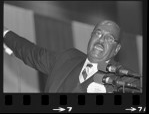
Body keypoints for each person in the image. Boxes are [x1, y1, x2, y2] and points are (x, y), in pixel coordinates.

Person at [3, 20, 141, 93]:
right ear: (91, 36)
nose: (101, 40)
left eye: (109, 38)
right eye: (98, 33)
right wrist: (4, 33)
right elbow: (31, 52)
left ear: (116, 49)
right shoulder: (67, 58)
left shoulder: (125, 79)